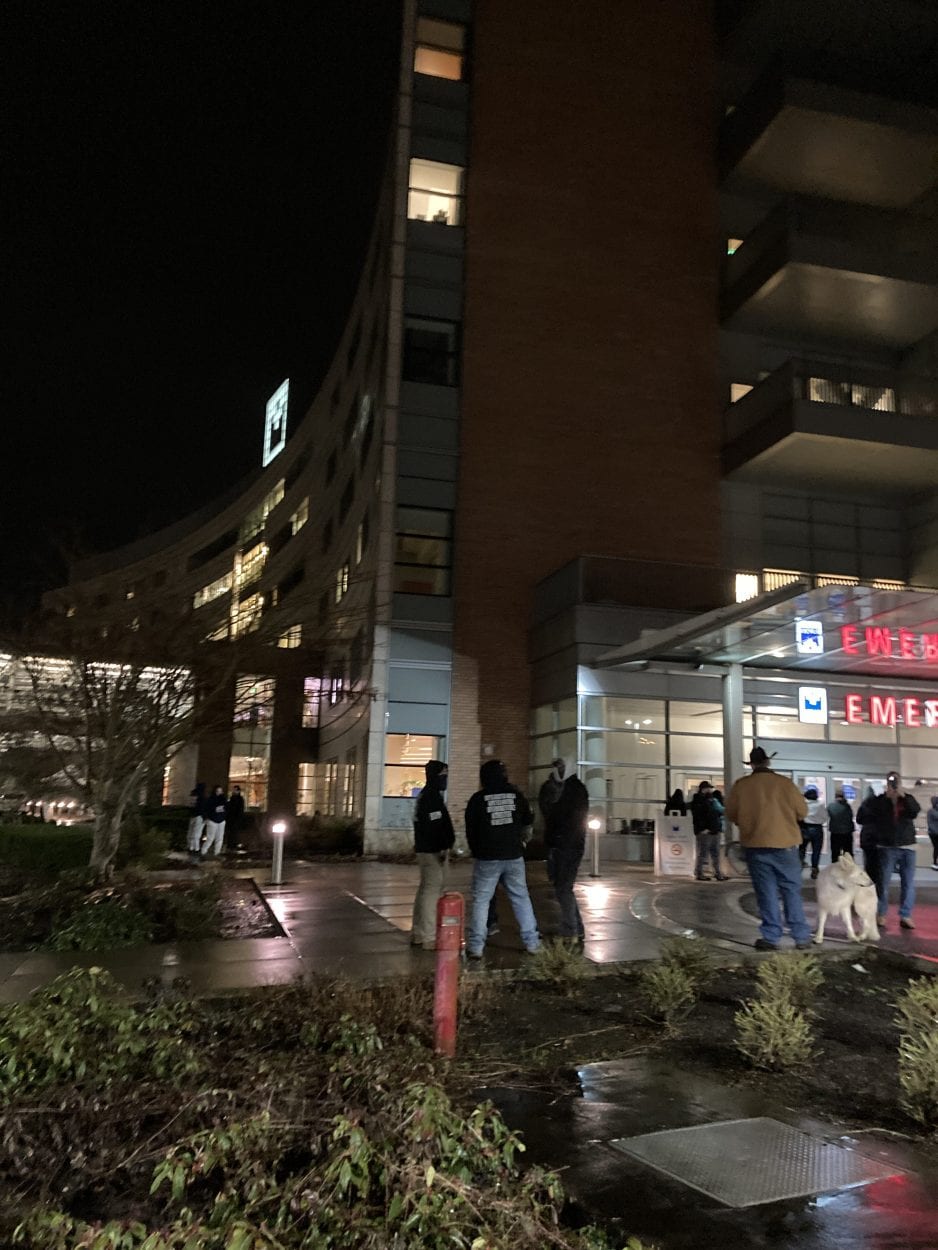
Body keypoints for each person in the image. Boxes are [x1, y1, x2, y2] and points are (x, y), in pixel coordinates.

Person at [725, 746, 812, 951]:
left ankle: (771, 936)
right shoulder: (785, 784)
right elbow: (802, 811)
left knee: (766, 893)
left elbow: (730, 813)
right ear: (768, 763)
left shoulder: (742, 786)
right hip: (786, 845)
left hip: (756, 845)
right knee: (791, 890)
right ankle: (801, 936)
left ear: (752, 764)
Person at [465, 759, 540, 959]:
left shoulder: (478, 799)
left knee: (481, 900)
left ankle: (476, 947)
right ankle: (532, 942)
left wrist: (477, 850)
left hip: (488, 858)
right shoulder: (516, 796)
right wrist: (522, 842)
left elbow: (471, 830)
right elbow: (528, 820)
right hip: (513, 856)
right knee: (521, 898)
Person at [411, 760, 455, 950]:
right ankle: (428, 936)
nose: (445, 779)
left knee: (425, 890)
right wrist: (442, 847)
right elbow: (434, 827)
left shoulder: (428, 796)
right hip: (432, 852)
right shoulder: (431, 798)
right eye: (443, 775)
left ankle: (419, 933)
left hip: (427, 849)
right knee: (431, 892)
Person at [870, 772, 920, 931]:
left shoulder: (907, 798)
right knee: (883, 882)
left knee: (908, 882)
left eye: (896, 781)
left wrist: (903, 795)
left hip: (908, 846)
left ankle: (905, 915)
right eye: (891, 781)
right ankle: (881, 913)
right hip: (887, 846)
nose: (893, 785)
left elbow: (914, 811)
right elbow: (871, 814)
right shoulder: (880, 801)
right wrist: (886, 797)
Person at [544, 766, 589, 941]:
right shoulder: (575, 789)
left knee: (563, 888)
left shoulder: (569, 791)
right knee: (564, 888)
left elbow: (558, 816)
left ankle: (571, 929)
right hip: (569, 844)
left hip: (566, 846)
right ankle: (575, 926)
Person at [691, 781, 727, 881]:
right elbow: (699, 816)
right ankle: (699, 873)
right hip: (705, 831)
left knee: (715, 853)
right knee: (703, 853)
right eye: (708, 788)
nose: (710, 790)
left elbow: (717, 813)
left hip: (714, 830)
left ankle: (718, 873)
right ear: (703, 789)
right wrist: (702, 829)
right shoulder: (698, 800)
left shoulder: (711, 800)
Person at [799, 787, 827, 879]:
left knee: (802, 849)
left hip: (804, 828)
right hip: (817, 829)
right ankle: (814, 869)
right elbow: (825, 817)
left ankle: (799, 867)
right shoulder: (820, 805)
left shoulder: (803, 805)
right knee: (816, 850)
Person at [826, 790, 855, 863]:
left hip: (835, 832)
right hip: (847, 833)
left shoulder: (831, 806)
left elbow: (827, 815)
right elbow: (851, 816)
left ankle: (835, 869)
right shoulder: (847, 806)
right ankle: (848, 870)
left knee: (835, 853)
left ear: (836, 796)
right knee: (848, 853)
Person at [857, 786, 879, 880]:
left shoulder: (863, 805)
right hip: (878, 835)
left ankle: (868, 877)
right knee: (877, 859)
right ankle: (877, 879)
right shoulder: (880, 805)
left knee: (868, 859)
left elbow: (859, 820)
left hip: (866, 835)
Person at [202, 785, 228, 858]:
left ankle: (217, 852)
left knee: (220, 838)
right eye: (217, 791)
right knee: (210, 838)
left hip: (221, 820)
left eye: (220, 791)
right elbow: (207, 809)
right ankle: (203, 851)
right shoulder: (210, 800)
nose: (219, 793)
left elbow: (227, 809)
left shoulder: (223, 800)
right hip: (212, 820)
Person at [187, 781, 206, 856]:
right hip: (199, 816)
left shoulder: (193, 794)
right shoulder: (203, 797)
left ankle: (191, 848)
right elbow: (203, 808)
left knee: (191, 833)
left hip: (193, 815)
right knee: (196, 834)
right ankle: (196, 849)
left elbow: (191, 805)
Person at [226, 784, 246, 849]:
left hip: (236, 819)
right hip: (231, 819)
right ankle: (230, 845)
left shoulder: (240, 799)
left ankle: (233, 845)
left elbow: (240, 810)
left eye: (235, 790)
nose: (234, 791)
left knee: (234, 833)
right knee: (231, 832)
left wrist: (239, 819)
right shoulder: (232, 798)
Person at [927, 796, 938, 871]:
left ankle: (935, 863)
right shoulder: (931, 811)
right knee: (937, 847)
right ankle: (934, 863)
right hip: (934, 833)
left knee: (936, 848)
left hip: (934, 832)